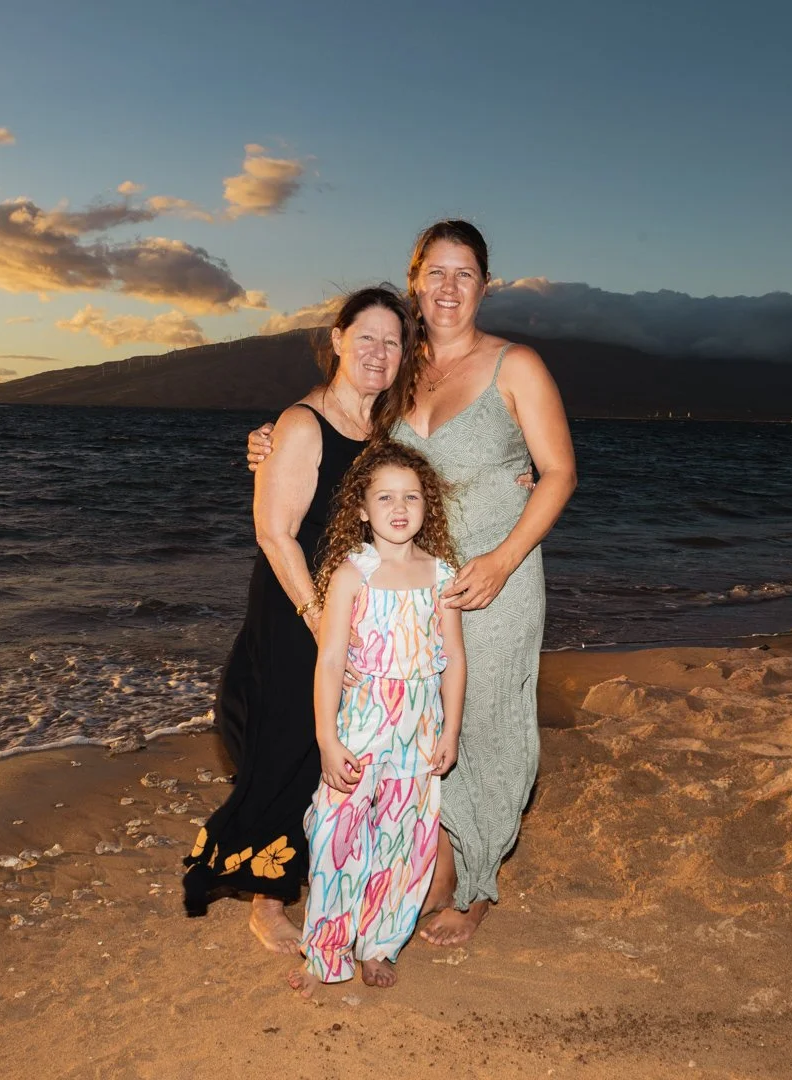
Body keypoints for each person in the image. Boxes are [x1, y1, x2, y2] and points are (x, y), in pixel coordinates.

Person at [248, 220, 577, 946]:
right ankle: (420, 852)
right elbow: (339, 411)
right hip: (405, 589)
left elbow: (559, 474)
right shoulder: (398, 366)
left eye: (465, 274)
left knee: (484, 723)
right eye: (437, 274)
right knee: (414, 722)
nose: (450, 288)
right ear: (415, 283)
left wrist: (503, 557)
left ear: (485, 286)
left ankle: (478, 879)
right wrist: (274, 437)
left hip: (495, 580)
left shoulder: (515, 366)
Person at [183, 287, 421, 955]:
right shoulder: (301, 424)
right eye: (365, 338)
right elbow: (275, 532)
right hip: (298, 611)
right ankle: (268, 900)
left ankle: (330, 870)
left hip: (356, 608)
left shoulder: (384, 431)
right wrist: (320, 620)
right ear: (338, 339)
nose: (378, 352)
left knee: (343, 746)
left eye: (392, 342)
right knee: (292, 742)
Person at [291, 441, 465, 995]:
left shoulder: (442, 575)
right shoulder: (351, 574)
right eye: (384, 496)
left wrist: (451, 730)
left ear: (426, 506)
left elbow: (454, 659)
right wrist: (326, 738)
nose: (398, 507)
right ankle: (325, 947)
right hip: (361, 723)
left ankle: (379, 944)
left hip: (418, 729)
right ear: (361, 509)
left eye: (411, 496)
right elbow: (331, 660)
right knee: (337, 833)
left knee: (403, 836)